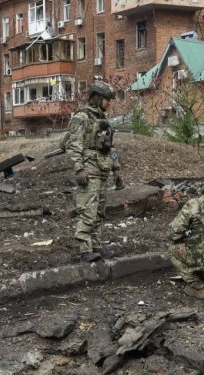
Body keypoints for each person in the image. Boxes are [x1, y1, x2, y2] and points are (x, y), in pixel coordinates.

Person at [65, 81, 123, 262]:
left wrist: (117, 169)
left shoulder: (103, 120)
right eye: (107, 99)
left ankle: (96, 245)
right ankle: (84, 248)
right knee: (88, 210)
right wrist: (79, 169)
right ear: (97, 98)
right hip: (89, 169)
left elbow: (109, 147)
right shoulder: (81, 118)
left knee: (99, 210)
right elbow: (74, 146)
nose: (109, 103)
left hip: (103, 168)